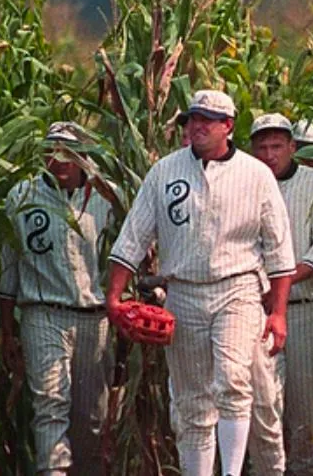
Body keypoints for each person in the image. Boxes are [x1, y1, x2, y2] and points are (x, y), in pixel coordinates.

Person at [106, 90, 295, 476]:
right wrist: (113, 296)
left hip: (238, 287)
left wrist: (277, 313)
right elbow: (133, 236)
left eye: (207, 120)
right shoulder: (165, 171)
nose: (197, 126)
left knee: (233, 382)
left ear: (228, 126)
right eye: (193, 118)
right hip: (183, 290)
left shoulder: (256, 174)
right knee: (192, 402)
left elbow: (279, 252)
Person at [0, 122, 119, 475]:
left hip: (95, 318)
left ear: (85, 157)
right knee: (50, 406)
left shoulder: (107, 197)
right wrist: (7, 329)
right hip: (42, 313)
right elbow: (9, 266)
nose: (59, 159)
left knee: (90, 418)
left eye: (68, 151)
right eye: (51, 151)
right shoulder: (22, 195)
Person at [246, 113, 313, 476]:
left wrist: (279, 287)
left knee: (307, 414)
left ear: (292, 147)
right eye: (262, 147)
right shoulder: (244, 184)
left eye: (276, 146)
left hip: (308, 310)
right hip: (256, 312)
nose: (269, 155)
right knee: (262, 406)